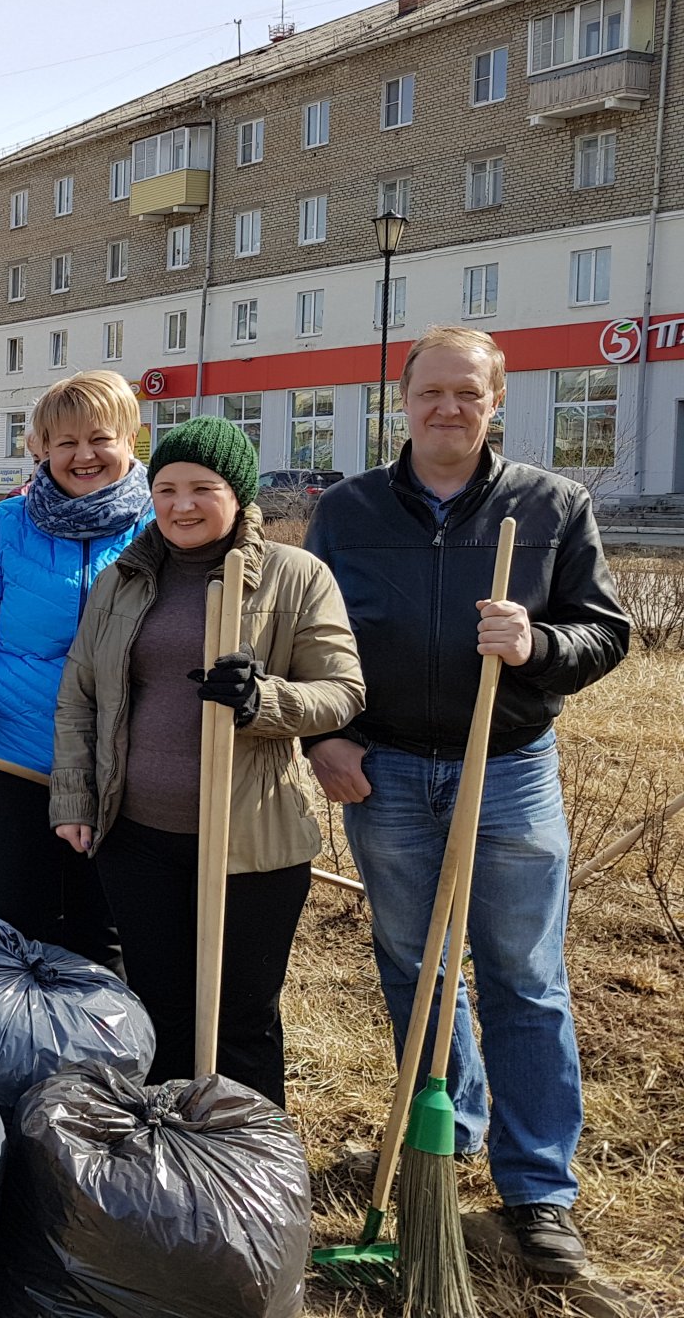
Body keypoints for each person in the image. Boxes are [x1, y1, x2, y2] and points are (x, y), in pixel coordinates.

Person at [305, 325, 630, 1274]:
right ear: (401, 402)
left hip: (509, 766)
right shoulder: (351, 509)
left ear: (497, 402)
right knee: (416, 970)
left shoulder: (553, 506)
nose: (447, 409)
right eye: (430, 393)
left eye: (468, 394)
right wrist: (326, 735)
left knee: (525, 979)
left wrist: (537, 646)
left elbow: (604, 634)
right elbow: (309, 639)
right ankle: (448, 1132)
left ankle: (538, 1192)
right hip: (390, 771)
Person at [50, 417, 363, 1105]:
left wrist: (264, 702)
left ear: (238, 493)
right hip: (135, 838)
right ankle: (174, 1172)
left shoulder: (294, 575)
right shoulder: (125, 578)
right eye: (165, 488)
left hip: (249, 845)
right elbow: (80, 696)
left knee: (242, 1019)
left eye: (202, 488)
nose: (181, 505)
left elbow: (342, 692)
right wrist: (73, 800)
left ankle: (249, 1174)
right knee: (159, 1009)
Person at [0, 370, 152, 968]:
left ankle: (100, 1058)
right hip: (13, 760)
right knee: (5, 936)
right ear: (41, 448)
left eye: (100, 438)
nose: (84, 455)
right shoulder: (4, 526)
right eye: (65, 442)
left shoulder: (159, 529)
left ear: (131, 438)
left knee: (107, 940)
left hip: (120, 767)